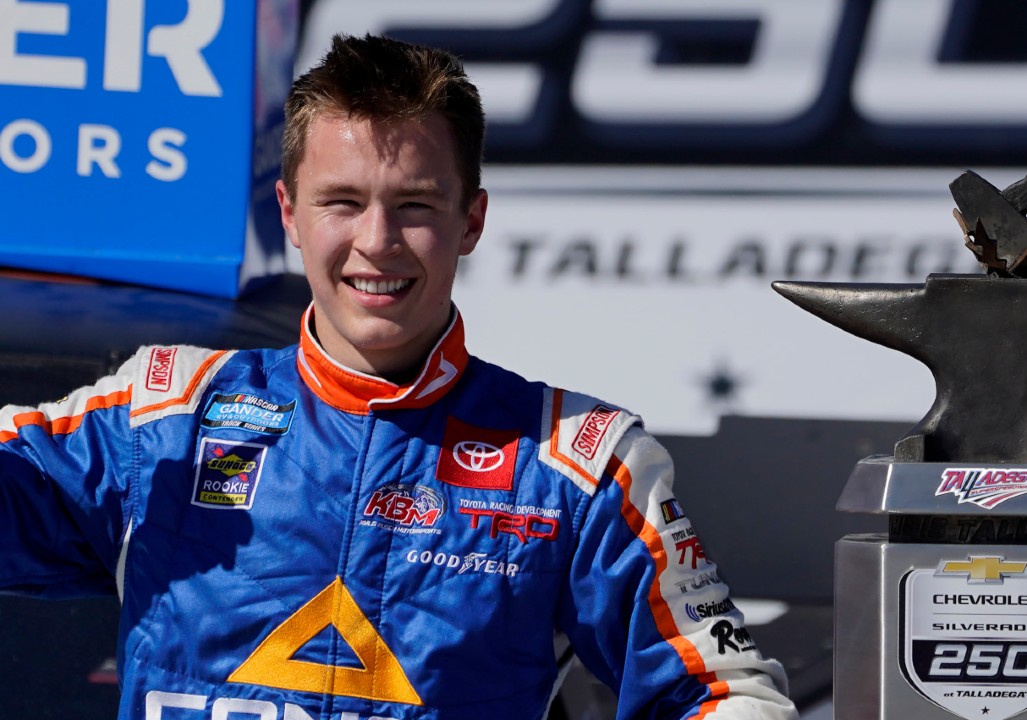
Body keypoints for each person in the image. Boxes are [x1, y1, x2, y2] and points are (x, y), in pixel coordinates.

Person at [0, 34, 797, 719]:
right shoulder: (162, 415)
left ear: (472, 220)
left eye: (414, 205)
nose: (376, 242)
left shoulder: (577, 465)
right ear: (289, 213)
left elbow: (726, 695)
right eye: (341, 202)